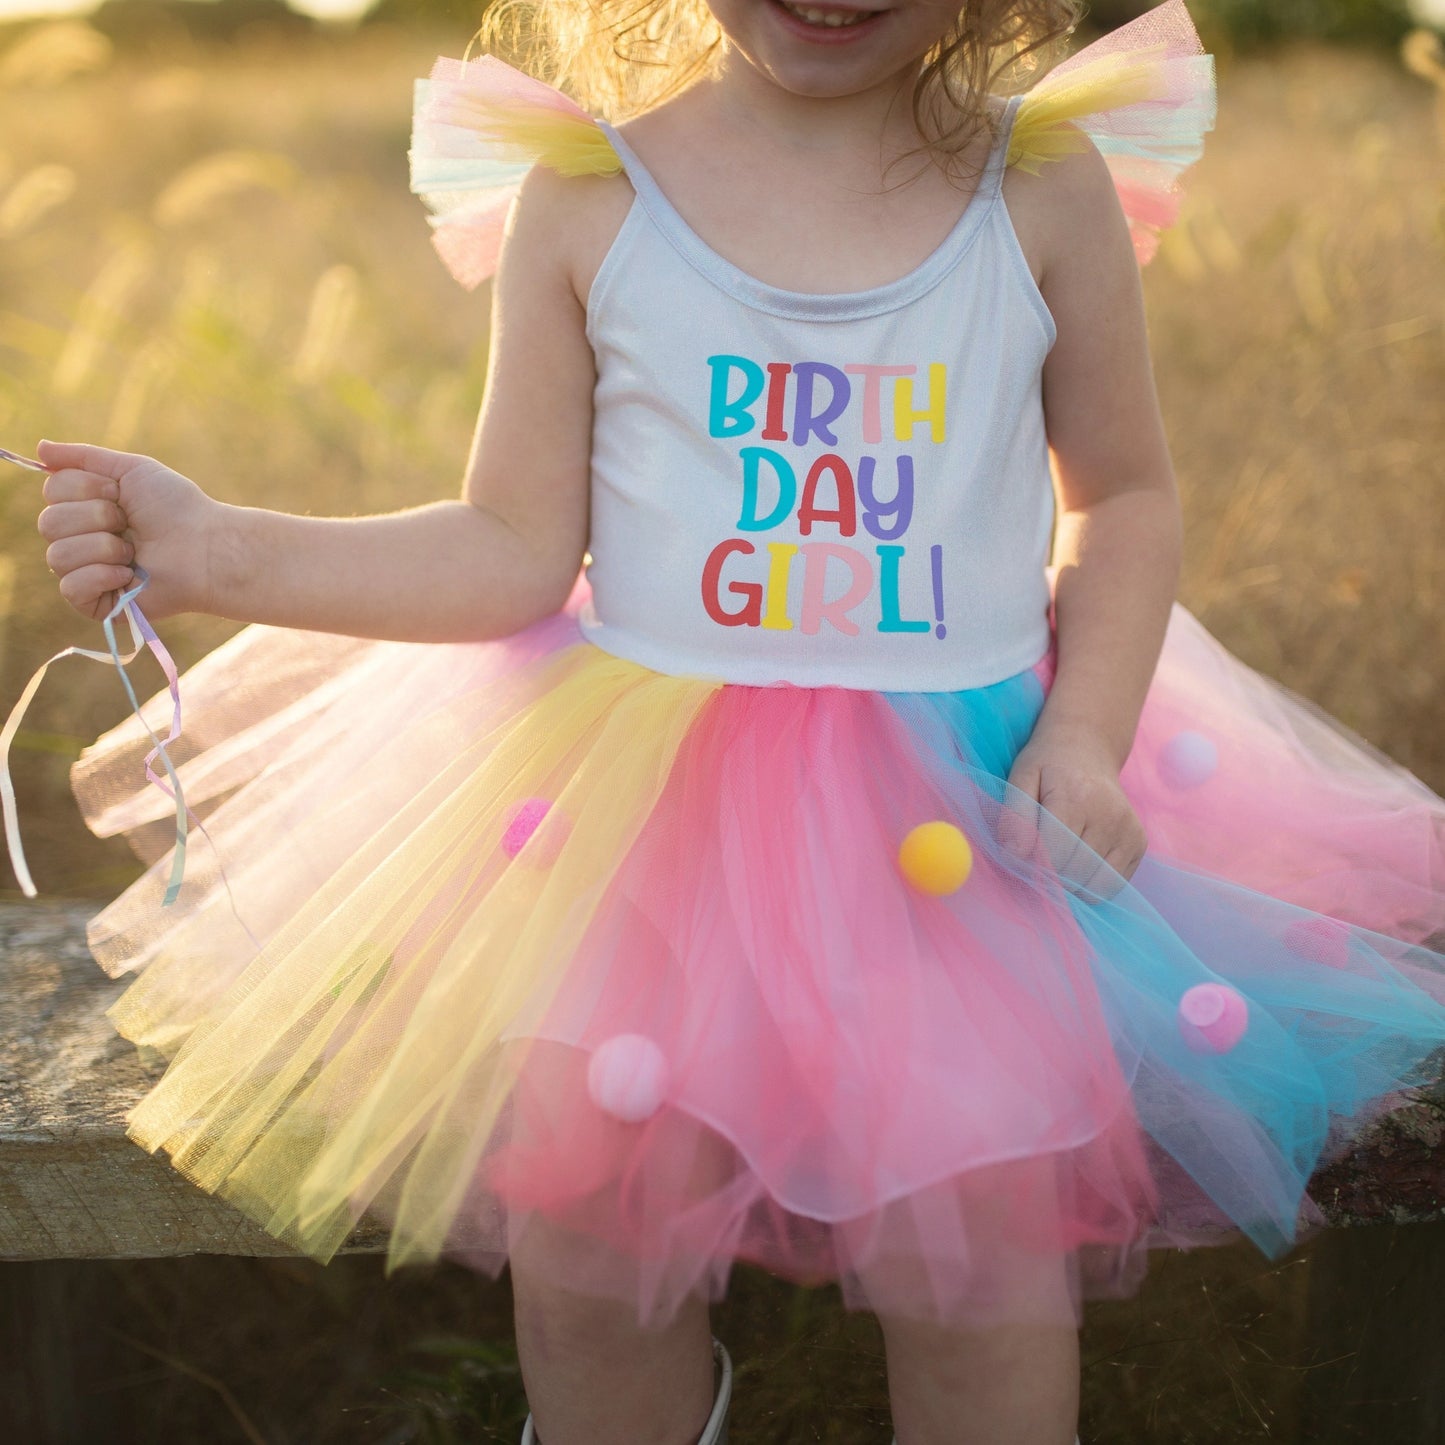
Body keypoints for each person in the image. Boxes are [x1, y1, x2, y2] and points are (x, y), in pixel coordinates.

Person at [27, 1, 1445, 1442]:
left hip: (962, 821)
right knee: (590, 1254)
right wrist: (219, 550)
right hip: (651, 826)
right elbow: (512, 544)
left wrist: (1083, 735)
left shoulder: (1039, 182)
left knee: (976, 1262)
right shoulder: (589, 192)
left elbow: (1125, 495)